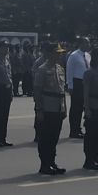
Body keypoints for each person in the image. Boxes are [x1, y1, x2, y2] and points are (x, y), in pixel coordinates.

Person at [33, 42, 67, 173]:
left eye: (60, 53)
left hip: (58, 107)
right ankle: (44, 164)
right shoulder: (42, 69)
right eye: (56, 53)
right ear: (48, 53)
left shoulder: (60, 69)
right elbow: (37, 91)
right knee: (45, 137)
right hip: (47, 108)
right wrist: (39, 109)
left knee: (54, 137)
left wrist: (64, 108)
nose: (59, 55)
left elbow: (62, 90)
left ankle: (52, 162)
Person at [66, 37, 90, 138]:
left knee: (84, 106)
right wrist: (70, 84)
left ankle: (79, 128)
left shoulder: (88, 55)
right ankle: (74, 130)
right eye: (86, 43)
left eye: (88, 43)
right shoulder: (74, 55)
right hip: (77, 82)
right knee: (76, 108)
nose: (88, 45)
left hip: (86, 82)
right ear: (80, 44)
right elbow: (69, 70)